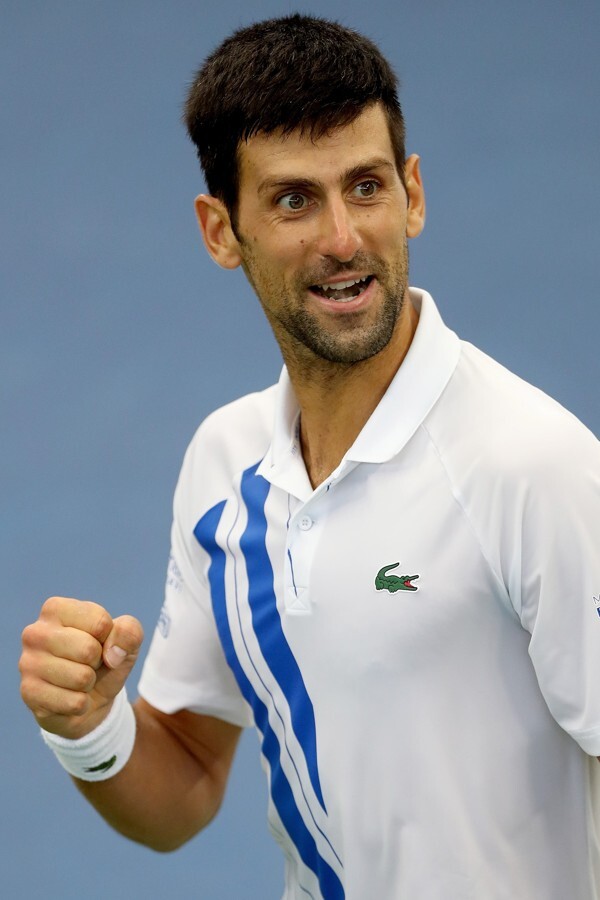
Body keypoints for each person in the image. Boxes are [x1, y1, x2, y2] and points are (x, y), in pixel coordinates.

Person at [19, 13, 600, 900]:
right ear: (221, 230)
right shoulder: (223, 467)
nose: (342, 238)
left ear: (413, 193)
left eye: (365, 186)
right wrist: (91, 728)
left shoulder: (534, 466)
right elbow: (185, 780)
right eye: (294, 200)